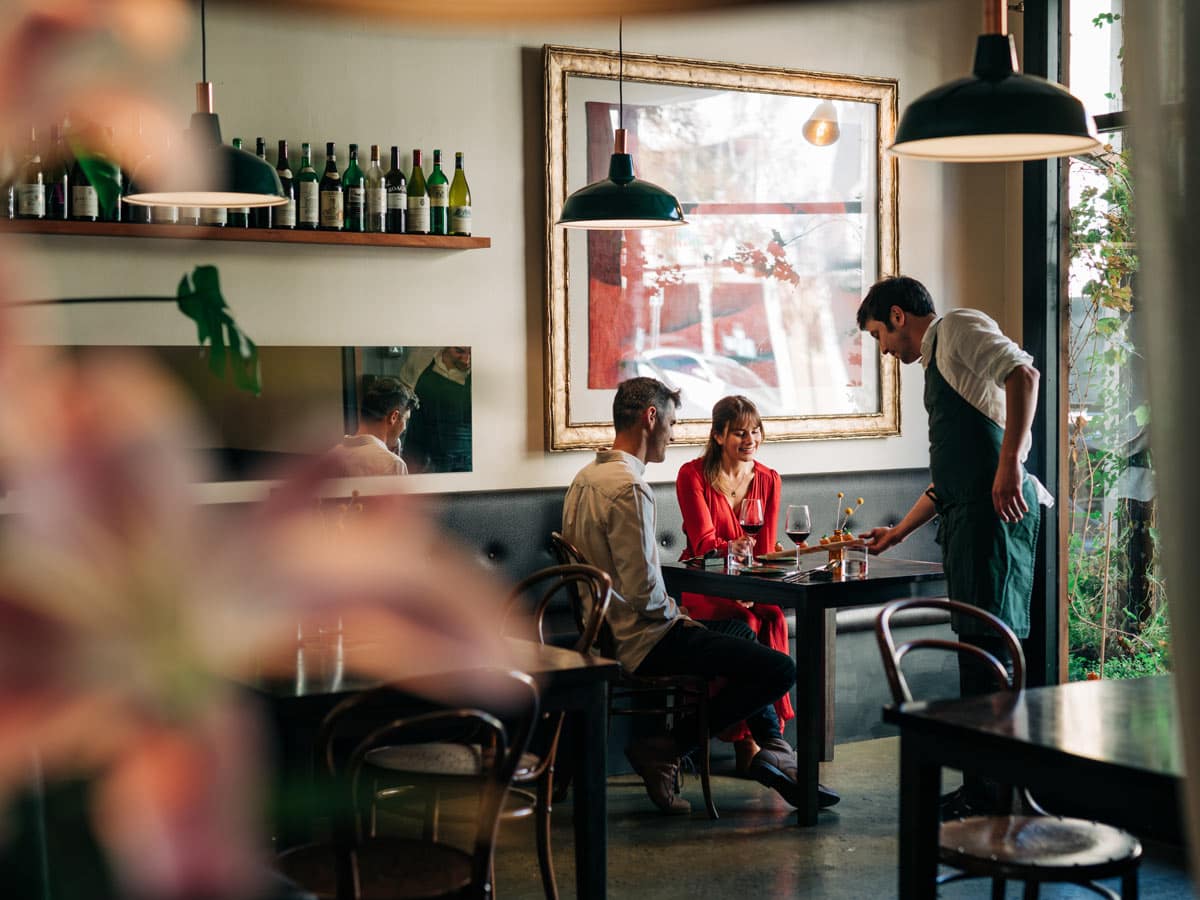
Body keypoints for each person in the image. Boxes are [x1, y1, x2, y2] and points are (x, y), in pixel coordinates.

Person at [562, 376, 839, 814]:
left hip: (604, 631)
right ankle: (670, 748)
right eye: (671, 423)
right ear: (650, 418)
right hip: (642, 641)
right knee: (781, 669)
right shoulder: (630, 489)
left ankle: (771, 747)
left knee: (742, 633)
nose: (672, 435)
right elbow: (647, 596)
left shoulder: (586, 477)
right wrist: (682, 619)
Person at [855, 275, 1051, 814]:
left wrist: (1010, 463)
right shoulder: (937, 364)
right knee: (976, 654)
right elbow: (955, 474)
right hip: (968, 520)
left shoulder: (958, 327)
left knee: (990, 654)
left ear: (898, 316)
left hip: (996, 520)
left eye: (879, 335)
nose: (885, 350)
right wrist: (897, 532)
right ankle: (984, 788)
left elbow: (1025, 375)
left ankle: (993, 793)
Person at [675, 395, 793, 774]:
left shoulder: (769, 479)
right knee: (745, 626)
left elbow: (767, 546)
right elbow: (703, 545)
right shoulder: (692, 475)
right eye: (740, 432)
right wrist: (730, 549)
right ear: (718, 434)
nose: (750, 439)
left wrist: (751, 586)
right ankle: (756, 742)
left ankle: (758, 742)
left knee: (770, 616)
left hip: (749, 584)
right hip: (703, 584)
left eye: (755, 430)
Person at [327, 376, 419, 477]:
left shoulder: (330, 457)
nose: (405, 427)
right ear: (393, 417)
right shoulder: (393, 464)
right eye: (406, 419)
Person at [402, 346, 472, 473]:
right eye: (459, 351)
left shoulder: (478, 375)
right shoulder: (420, 360)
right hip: (421, 452)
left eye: (471, 353)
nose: (466, 360)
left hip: (463, 462)